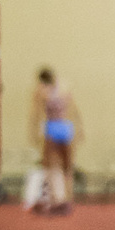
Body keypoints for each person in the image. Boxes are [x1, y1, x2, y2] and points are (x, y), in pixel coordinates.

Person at [30, 69, 76, 215]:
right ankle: (67, 199)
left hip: (52, 127)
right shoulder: (64, 89)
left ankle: (55, 199)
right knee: (67, 166)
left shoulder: (41, 91)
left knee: (49, 165)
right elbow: (73, 109)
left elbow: (36, 113)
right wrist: (78, 130)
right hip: (65, 126)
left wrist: (34, 132)